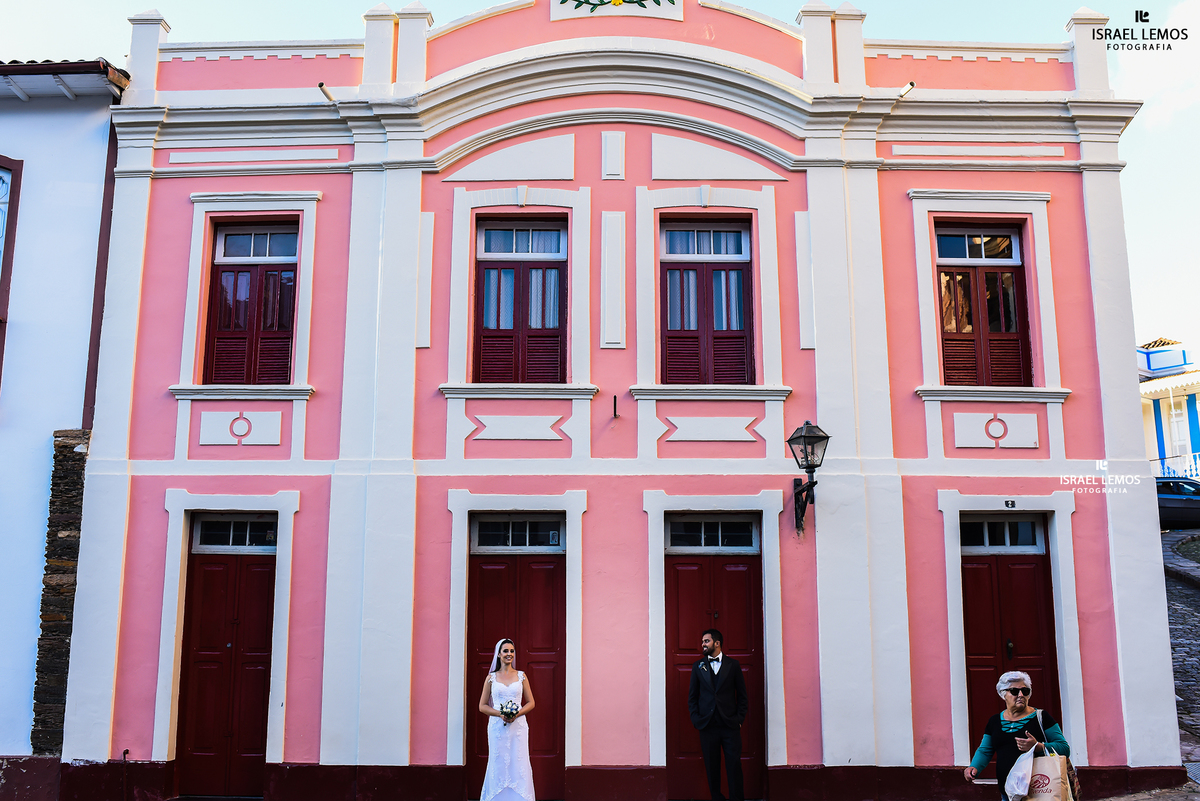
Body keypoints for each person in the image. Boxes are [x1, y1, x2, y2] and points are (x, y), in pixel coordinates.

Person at [963, 670, 1070, 800]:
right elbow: (985, 750)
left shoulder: (1042, 717)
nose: (1020, 695)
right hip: (1008, 792)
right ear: (1003, 694)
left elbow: (1064, 748)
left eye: (1025, 691)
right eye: (1014, 691)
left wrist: (1038, 746)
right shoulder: (994, 721)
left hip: (1040, 791)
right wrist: (974, 767)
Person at [688, 628, 749, 801]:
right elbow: (692, 697)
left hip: (730, 726)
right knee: (712, 767)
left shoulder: (733, 665)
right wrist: (696, 719)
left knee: (734, 766)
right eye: (702, 642)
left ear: (717, 643)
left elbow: (742, 697)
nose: (703, 645)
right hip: (707, 726)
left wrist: (739, 720)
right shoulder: (698, 666)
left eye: (706, 641)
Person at [478, 638, 536, 801]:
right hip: (497, 727)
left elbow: (531, 702)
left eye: (512, 651)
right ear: (498, 654)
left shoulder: (521, 676)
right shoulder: (491, 678)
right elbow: (482, 706)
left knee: (519, 762)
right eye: (506, 651)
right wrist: (499, 714)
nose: (509, 654)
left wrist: (516, 714)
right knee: (498, 762)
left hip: (518, 727)